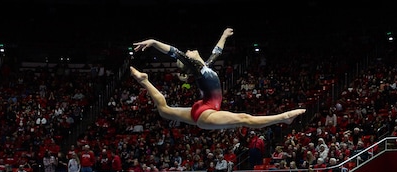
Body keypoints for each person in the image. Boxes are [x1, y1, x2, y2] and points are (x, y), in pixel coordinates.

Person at [130, 28, 305, 130]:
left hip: (202, 108)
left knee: (164, 110)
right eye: (189, 52)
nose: (190, 50)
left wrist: (223, 36)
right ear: (190, 60)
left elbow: (216, 52)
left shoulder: (205, 66)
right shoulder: (197, 68)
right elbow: (174, 52)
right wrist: (153, 42)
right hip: (207, 112)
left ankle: (144, 80)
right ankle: (284, 117)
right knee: (245, 119)